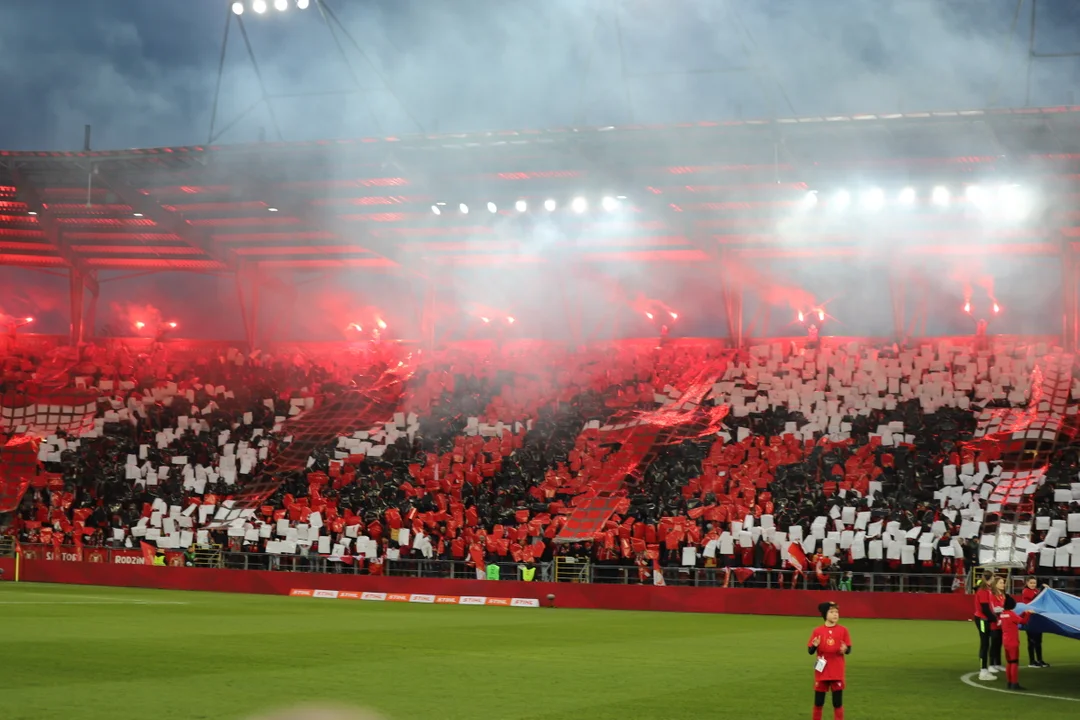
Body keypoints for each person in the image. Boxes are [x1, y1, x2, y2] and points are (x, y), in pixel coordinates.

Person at [807, 601, 851, 720]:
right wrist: (815, 645)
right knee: (818, 702)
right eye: (831, 612)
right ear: (825, 614)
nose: (835, 615)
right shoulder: (818, 631)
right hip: (821, 670)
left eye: (836, 612)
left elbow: (849, 649)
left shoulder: (843, 630)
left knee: (837, 702)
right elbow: (810, 651)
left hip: (837, 669)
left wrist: (845, 650)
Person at [998, 595, 1032, 691]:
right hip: (1013, 641)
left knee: (1009, 662)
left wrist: (1023, 613)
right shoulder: (1011, 614)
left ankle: (1009, 682)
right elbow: (1024, 622)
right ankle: (1014, 683)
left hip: (1006, 641)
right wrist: (1028, 614)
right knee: (1014, 662)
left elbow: (1016, 618)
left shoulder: (1003, 614)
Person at [972, 571, 997, 680]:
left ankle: (985, 669)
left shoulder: (987, 590)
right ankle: (983, 671)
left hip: (985, 618)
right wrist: (994, 619)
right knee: (984, 644)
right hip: (982, 619)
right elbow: (985, 608)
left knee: (986, 643)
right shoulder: (983, 591)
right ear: (990, 578)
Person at [1020, 577, 1049, 668]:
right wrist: (1043, 589)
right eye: (1031, 583)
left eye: (1034, 583)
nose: (1033, 585)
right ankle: (1032, 661)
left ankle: (1040, 660)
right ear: (1027, 583)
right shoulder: (1026, 591)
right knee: (1032, 641)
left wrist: (1043, 590)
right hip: (1029, 618)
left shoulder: (1036, 590)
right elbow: (1035, 599)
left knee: (1038, 641)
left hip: (1037, 618)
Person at [988, 576, 1007, 673]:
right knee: (994, 644)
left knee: (999, 643)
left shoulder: (1002, 595)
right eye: (1000, 583)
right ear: (995, 584)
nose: (1003, 584)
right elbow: (993, 609)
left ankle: (998, 664)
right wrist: (1002, 610)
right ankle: (991, 664)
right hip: (995, 623)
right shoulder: (992, 595)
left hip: (1002, 623)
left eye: (1003, 582)